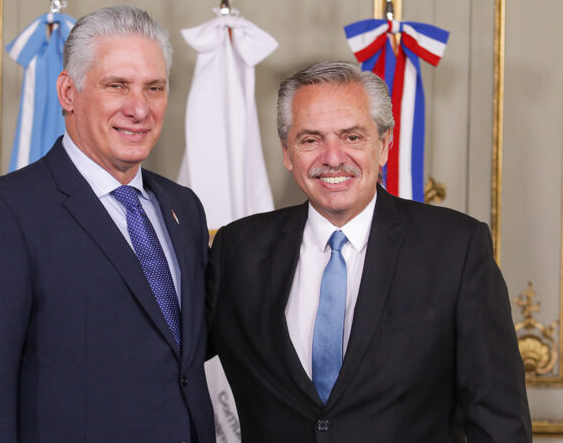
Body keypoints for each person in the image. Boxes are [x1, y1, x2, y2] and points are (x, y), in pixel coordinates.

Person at [206, 61, 531, 442]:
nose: (332, 157)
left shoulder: (456, 248)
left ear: (385, 146)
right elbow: (164, 361)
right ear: (287, 152)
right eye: (310, 139)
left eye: (352, 137)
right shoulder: (238, 250)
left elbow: (498, 420)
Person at [0, 6, 214, 443]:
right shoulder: (0, 214)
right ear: (67, 92)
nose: (139, 108)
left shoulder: (184, 209)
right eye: (117, 85)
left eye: (154, 88)